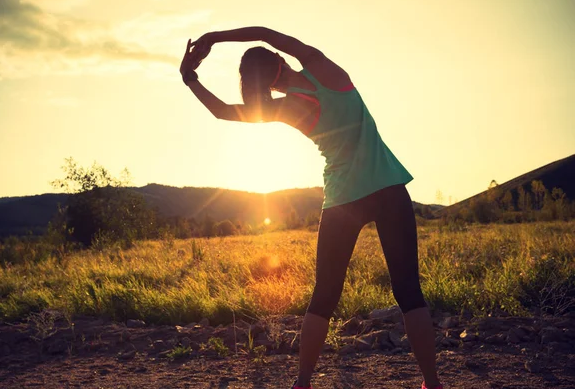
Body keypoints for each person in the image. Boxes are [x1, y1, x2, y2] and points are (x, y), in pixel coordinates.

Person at [179, 26, 442, 389]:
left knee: (324, 296)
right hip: (387, 187)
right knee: (409, 291)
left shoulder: (282, 109)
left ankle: (302, 383)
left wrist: (189, 77)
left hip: (342, 199)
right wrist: (215, 37)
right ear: (279, 58)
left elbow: (223, 111)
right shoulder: (322, 69)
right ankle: (432, 382)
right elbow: (263, 32)